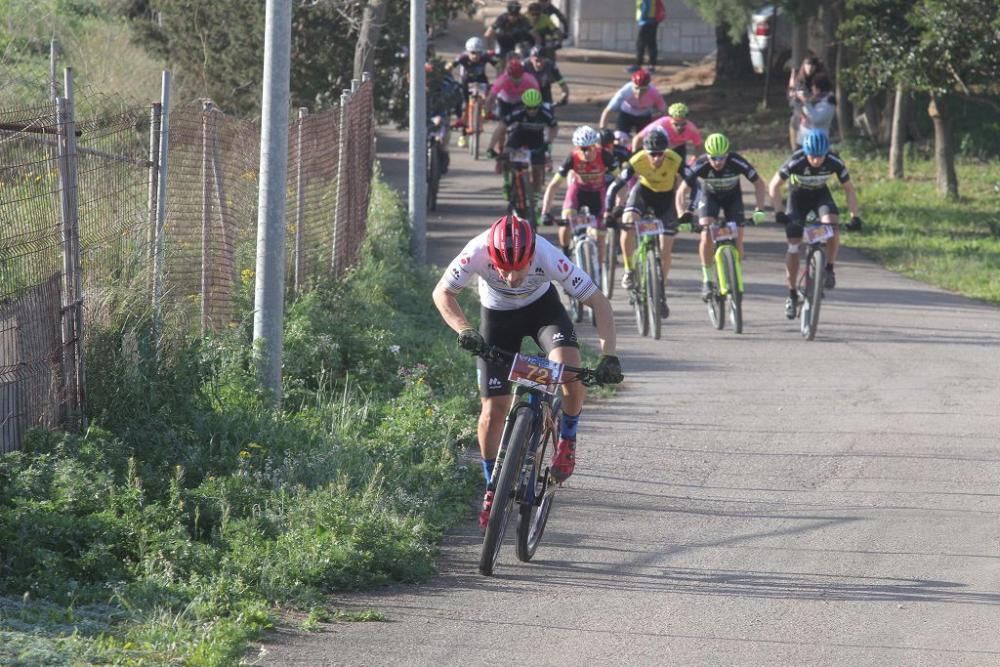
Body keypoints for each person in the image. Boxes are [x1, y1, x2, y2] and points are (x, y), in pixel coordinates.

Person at [431, 214, 622, 530]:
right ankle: (493, 485)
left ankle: (568, 439)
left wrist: (609, 356)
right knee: (492, 412)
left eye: (517, 268)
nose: (509, 276)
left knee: (565, 368)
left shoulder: (547, 254)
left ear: (531, 255)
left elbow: (599, 302)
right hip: (497, 318)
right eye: (501, 268)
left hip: (542, 312)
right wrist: (464, 329)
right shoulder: (476, 250)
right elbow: (442, 293)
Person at [768, 129, 864, 319]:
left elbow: (849, 189)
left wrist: (855, 216)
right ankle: (792, 293)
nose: (816, 161)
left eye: (820, 157)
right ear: (806, 152)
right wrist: (778, 212)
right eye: (812, 156)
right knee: (794, 243)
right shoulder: (796, 160)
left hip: (820, 195)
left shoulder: (834, 161)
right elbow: (774, 186)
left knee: (832, 226)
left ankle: (828, 268)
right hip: (798, 197)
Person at [674, 133, 768, 299]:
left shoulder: (736, 161)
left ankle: (735, 273)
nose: (718, 162)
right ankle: (707, 280)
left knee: (738, 236)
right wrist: (683, 215)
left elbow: (759, 183)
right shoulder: (701, 163)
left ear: (728, 155)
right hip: (710, 198)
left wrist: (759, 209)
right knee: (706, 235)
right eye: (714, 158)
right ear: (707, 156)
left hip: (733, 199)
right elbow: (682, 191)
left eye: (722, 158)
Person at [603, 127, 683, 316]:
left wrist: (687, 211)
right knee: (628, 221)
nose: (656, 158)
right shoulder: (637, 160)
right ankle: (630, 270)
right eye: (652, 154)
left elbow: (692, 183)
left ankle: (659, 288)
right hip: (643, 195)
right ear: (645, 152)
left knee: (666, 248)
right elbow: (616, 185)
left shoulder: (675, 160)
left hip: (666, 199)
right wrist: (608, 211)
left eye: (660, 154)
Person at [540, 125, 618, 255]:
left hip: (598, 193)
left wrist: (616, 207)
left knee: (600, 234)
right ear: (577, 147)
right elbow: (554, 185)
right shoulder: (572, 157)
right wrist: (545, 212)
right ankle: (565, 253)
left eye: (591, 148)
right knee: (566, 219)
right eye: (584, 149)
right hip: (578, 191)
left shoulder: (605, 155)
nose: (587, 152)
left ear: (596, 145)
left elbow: (620, 181)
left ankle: (598, 272)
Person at [487, 88, 559, 197]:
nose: (532, 111)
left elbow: (554, 127)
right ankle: (507, 182)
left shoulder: (545, 113)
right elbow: (501, 126)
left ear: (539, 105)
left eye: (535, 107)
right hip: (519, 136)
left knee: (537, 169)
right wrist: (491, 147)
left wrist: (548, 142)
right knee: (506, 156)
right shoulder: (519, 112)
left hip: (537, 139)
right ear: (524, 105)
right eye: (529, 108)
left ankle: (535, 198)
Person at [598, 69, 666, 136]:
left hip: (644, 117)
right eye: (636, 88)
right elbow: (608, 110)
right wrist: (602, 130)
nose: (639, 93)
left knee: (644, 141)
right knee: (620, 137)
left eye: (643, 90)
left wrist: (656, 121)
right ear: (632, 85)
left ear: (648, 87)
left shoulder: (654, 93)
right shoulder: (626, 90)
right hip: (626, 115)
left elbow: (664, 112)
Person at [632, 102, 702, 162]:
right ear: (670, 119)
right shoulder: (661, 123)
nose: (679, 127)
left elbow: (699, 146)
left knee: (681, 169)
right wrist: (634, 157)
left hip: (678, 147)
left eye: (683, 124)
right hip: (659, 147)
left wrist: (693, 161)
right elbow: (637, 138)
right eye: (676, 124)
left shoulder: (692, 129)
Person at [787, 56, 826, 149]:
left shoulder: (819, 81)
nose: (810, 68)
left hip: (815, 117)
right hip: (800, 116)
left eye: (812, 65)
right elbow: (794, 100)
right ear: (803, 66)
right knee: (797, 149)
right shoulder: (799, 81)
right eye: (807, 65)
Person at [797, 73, 836, 146]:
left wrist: (805, 101)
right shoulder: (817, 99)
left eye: (814, 86)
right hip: (804, 138)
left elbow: (816, 119)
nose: (812, 88)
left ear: (819, 88)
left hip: (817, 142)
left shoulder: (828, 103)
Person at [630, 0, 666, 74]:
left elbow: (646, 7)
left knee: (641, 44)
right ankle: (651, 65)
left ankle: (639, 64)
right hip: (652, 20)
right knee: (651, 43)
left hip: (646, 21)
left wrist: (642, 18)